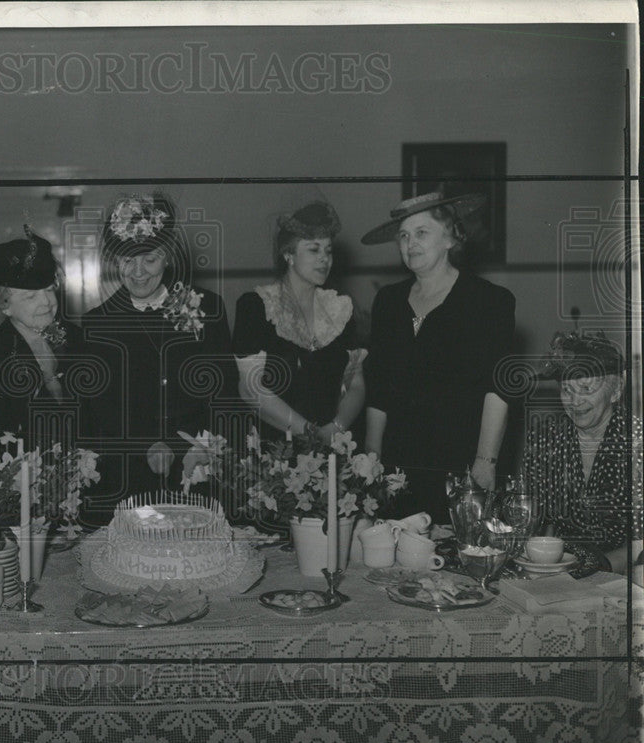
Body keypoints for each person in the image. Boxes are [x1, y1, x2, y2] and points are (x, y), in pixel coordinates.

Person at [361, 191, 516, 523]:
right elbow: (379, 390)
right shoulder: (388, 302)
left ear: (450, 237)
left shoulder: (489, 301)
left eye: (421, 232)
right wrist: (371, 461)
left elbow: (497, 387)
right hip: (396, 471)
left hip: (460, 466)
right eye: (402, 236)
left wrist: (486, 463)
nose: (409, 243)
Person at [81, 193, 236, 503]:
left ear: (167, 255)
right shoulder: (97, 325)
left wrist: (196, 447)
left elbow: (226, 395)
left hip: (198, 474)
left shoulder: (207, 309)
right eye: (128, 260)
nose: (138, 272)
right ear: (115, 260)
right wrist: (146, 446)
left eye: (149, 259)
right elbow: (99, 415)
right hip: (127, 482)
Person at [233, 200, 366, 443]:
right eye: (314, 250)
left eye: (328, 250)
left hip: (332, 447)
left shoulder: (340, 309)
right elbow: (250, 389)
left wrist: (335, 430)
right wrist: (309, 432)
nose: (324, 259)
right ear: (288, 255)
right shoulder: (256, 306)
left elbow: (356, 385)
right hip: (274, 452)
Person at [523, 332, 642, 574]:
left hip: (626, 576)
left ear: (617, 389)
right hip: (560, 570)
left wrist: (599, 565)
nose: (575, 401)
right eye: (567, 389)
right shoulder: (544, 440)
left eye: (586, 388)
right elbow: (534, 521)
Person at [0, 226, 85, 442]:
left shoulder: (78, 339)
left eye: (49, 290)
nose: (46, 302)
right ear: (4, 305)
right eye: (30, 297)